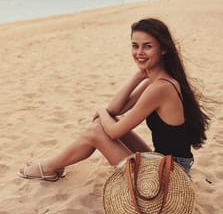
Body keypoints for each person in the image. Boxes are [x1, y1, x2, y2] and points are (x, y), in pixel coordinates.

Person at [18, 18, 210, 181]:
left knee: (96, 132)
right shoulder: (158, 81)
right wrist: (138, 76)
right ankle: (53, 166)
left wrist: (101, 112)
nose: (139, 52)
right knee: (102, 124)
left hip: (169, 175)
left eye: (148, 46)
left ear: (163, 49)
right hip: (166, 162)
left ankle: (49, 167)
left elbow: (114, 130)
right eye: (135, 46)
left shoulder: (160, 88)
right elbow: (115, 110)